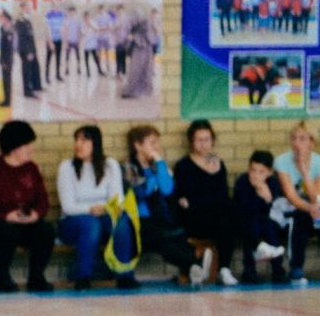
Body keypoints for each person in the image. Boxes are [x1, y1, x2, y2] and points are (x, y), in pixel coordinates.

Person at [0, 120, 54, 293]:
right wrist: (5, 216)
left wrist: (35, 215)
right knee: (5, 231)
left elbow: (43, 201)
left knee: (45, 230)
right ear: (14, 147)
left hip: (23, 222)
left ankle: (36, 278)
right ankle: (2, 277)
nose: (32, 149)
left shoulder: (31, 168)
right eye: (27, 144)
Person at [124, 125, 201, 283]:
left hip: (158, 218)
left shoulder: (158, 165)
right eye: (152, 143)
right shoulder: (128, 167)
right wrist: (155, 177)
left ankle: (194, 268)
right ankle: (194, 263)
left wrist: (159, 163)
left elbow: (167, 190)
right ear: (138, 145)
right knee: (159, 236)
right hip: (138, 220)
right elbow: (140, 192)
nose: (156, 147)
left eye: (157, 142)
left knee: (175, 233)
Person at [273, 123, 320, 287]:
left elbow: (319, 197)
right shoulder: (281, 161)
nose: (297, 143)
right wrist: (310, 208)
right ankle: (296, 267)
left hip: (315, 207)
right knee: (300, 218)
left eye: (302, 139)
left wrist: (304, 171)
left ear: (312, 143)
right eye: (294, 138)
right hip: (291, 209)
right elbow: (291, 196)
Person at [55, 125, 121, 291]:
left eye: (84, 140)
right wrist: (91, 209)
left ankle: (125, 275)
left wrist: (104, 208)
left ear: (96, 143)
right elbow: (68, 206)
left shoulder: (110, 165)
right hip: (72, 223)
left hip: (103, 215)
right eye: (76, 140)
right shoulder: (66, 167)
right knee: (91, 223)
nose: (78, 144)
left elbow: (117, 199)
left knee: (121, 223)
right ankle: (83, 277)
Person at [173, 120, 237, 286]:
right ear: (191, 141)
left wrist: (198, 200)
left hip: (217, 217)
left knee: (227, 219)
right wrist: (201, 200)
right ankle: (208, 266)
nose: (203, 144)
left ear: (213, 140)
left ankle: (223, 270)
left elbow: (222, 194)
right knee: (226, 216)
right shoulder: (183, 166)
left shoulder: (218, 163)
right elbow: (184, 200)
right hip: (193, 219)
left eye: (207, 139)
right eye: (198, 140)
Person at [233, 151, 289, 283]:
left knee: (268, 227)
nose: (256, 175)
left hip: (268, 221)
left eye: (261, 172)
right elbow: (243, 209)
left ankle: (278, 269)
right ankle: (249, 271)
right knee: (252, 226)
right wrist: (259, 196)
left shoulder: (273, 184)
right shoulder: (242, 182)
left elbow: (275, 209)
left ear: (269, 172)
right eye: (253, 170)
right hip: (245, 221)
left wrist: (268, 199)